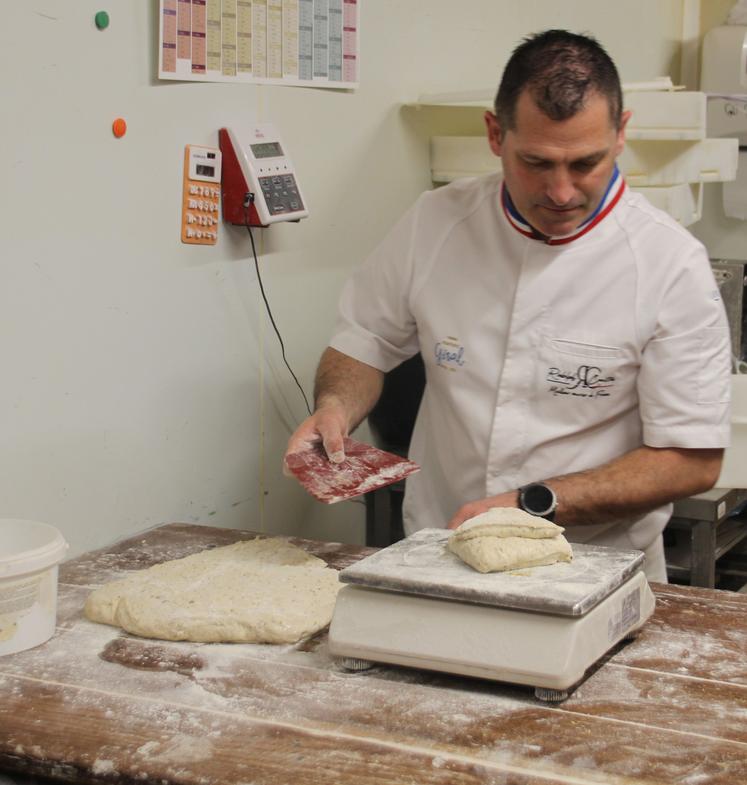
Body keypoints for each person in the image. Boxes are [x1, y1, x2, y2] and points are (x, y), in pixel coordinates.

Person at [285, 29, 731, 582]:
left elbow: (691, 459)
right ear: (496, 135)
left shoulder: (670, 264)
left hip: (594, 566)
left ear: (621, 135)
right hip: (436, 549)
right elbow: (364, 344)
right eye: (537, 163)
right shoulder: (436, 223)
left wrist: (532, 504)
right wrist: (336, 408)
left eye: (585, 163)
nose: (563, 192)